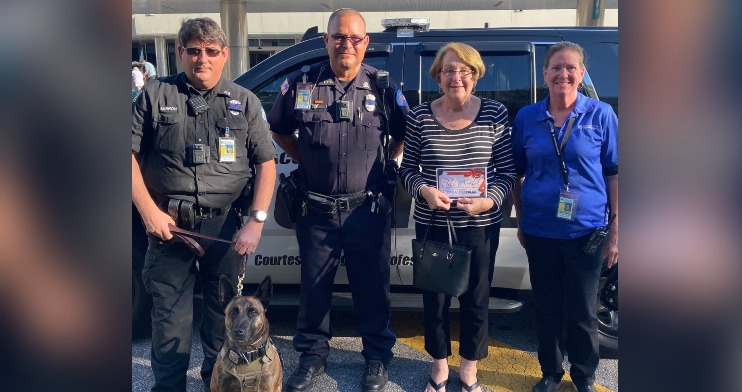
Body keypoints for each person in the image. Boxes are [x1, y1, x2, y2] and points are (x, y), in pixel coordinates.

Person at [131, 17, 277, 392]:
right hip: (169, 227)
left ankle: (218, 382)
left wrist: (256, 222)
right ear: (180, 52)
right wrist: (149, 212)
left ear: (224, 55)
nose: (202, 59)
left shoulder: (244, 102)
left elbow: (266, 163)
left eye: (211, 51)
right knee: (170, 322)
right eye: (194, 50)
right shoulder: (154, 94)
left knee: (221, 318)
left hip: (225, 227)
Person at [267, 8, 408, 392]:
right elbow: (278, 130)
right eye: (339, 37)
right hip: (316, 208)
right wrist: (306, 158)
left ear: (366, 44)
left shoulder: (383, 87)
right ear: (326, 41)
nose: (347, 44)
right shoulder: (301, 83)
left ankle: (377, 359)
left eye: (355, 38)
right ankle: (312, 358)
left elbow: (399, 135)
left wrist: (387, 165)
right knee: (314, 289)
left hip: (368, 208)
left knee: (373, 287)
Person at [400, 42, 517, 392]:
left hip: (479, 225)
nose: (457, 77)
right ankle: (438, 367)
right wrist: (424, 190)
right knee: (435, 298)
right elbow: (407, 170)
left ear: (476, 76)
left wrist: (488, 201)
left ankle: (468, 370)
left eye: (465, 71)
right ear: (438, 76)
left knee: (476, 298)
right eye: (449, 70)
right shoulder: (420, 116)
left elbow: (508, 172)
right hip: (434, 222)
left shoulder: (495, 113)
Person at [510, 41, 618, 392]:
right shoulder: (527, 117)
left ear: (582, 73)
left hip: (587, 231)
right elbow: (516, 172)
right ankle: (551, 373)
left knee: (584, 311)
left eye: (571, 67)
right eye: (556, 67)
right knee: (547, 307)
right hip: (541, 231)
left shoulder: (601, 115)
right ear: (545, 74)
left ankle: (584, 376)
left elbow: (614, 173)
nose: (563, 73)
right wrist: (522, 219)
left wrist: (617, 229)